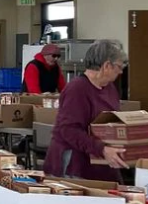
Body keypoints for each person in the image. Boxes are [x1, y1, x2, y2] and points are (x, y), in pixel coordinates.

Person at [44, 40, 127, 181]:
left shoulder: (110, 89)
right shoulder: (77, 89)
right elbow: (69, 130)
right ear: (106, 65)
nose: (121, 71)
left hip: (101, 163)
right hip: (74, 166)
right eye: (119, 66)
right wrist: (102, 149)